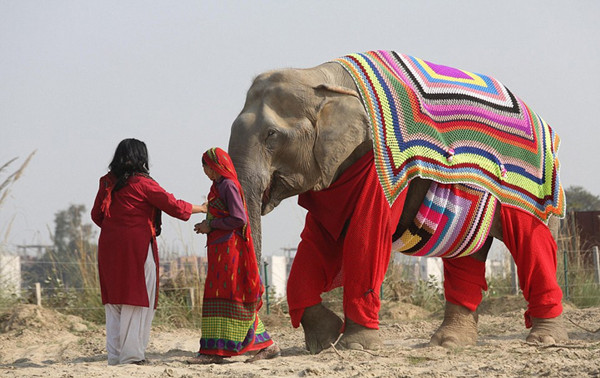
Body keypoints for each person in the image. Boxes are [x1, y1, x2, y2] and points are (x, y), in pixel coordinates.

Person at [91, 138, 204, 365]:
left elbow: (96, 215)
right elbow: (174, 206)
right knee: (137, 298)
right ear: (142, 158)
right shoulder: (143, 183)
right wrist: (202, 208)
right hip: (137, 246)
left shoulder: (106, 182)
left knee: (114, 301)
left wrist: (117, 228)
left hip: (109, 246)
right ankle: (132, 356)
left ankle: (115, 355)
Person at [187, 147, 280, 364]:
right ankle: (261, 345)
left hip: (230, 251)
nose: (205, 171)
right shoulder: (218, 186)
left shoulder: (228, 185)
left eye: (207, 167)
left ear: (216, 166)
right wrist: (207, 226)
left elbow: (240, 218)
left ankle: (216, 352)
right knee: (222, 297)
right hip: (220, 250)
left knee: (233, 297)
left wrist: (211, 224)